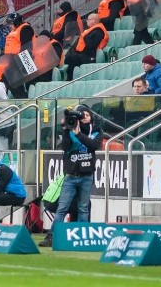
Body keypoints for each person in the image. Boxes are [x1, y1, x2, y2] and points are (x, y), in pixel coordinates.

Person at [39, 104, 101, 248]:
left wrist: (79, 133)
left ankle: (81, 239)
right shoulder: (71, 129)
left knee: (83, 208)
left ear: (91, 116)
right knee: (62, 207)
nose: (84, 117)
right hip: (71, 175)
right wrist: (66, 130)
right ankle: (52, 237)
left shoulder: (96, 131)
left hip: (87, 175)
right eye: (81, 115)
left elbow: (93, 145)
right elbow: (66, 147)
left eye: (87, 115)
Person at [63, 12, 108, 79]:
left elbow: (91, 45)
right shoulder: (91, 30)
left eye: (88, 19)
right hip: (84, 54)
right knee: (69, 57)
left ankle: (70, 79)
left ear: (94, 20)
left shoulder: (98, 31)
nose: (87, 21)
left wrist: (85, 36)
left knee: (71, 59)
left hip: (91, 57)